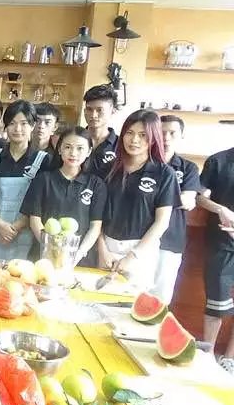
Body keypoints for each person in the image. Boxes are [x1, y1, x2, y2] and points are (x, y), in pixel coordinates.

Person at [98, 110, 179, 289]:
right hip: (106, 248)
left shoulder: (164, 174)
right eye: (130, 133)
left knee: (132, 303)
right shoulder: (108, 169)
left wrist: (133, 256)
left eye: (143, 135)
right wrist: (102, 249)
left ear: (153, 138)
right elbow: (96, 215)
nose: (134, 140)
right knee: (99, 298)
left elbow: (162, 222)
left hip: (141, 250)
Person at [21, 126, 107, 267]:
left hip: (80, 260)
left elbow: (95, 226)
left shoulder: (96, 184)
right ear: (59, 149)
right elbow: (35, 220)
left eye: (80, 148)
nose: (73, 153)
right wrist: (51, 249)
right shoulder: (43, 180)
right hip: (44, 257)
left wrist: (77, 254)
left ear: (89, 151)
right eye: (67, 147)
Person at [0, 100, 50, 260]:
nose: (17, 129)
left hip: (25, 232)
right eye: (12, 123)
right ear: (5, 126)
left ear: (33, 125)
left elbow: (41, 203)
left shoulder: (44, 160)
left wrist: (14, 228)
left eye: (24, 123)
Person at [154, 115, 202, 304]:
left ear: (181, 135)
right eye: (162, 132)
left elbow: (188, 201)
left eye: (172, 133)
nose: (166, 138)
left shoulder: (188, 168)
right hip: (138, 238)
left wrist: (150, 197)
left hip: (170, 240)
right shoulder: (144, 162)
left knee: (160, 297)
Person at [197, 146, 234, 373]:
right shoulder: (218, 161)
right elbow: (199, 197)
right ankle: (207, 355)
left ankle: (230, 358)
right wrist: (220, 209)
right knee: (216, 304)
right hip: (220, 242)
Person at [83, 84, 119, 178]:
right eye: (89, 109)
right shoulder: (74, 139)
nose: (93, 115)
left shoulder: (120, 145)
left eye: (99, 110)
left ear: (113, 111)